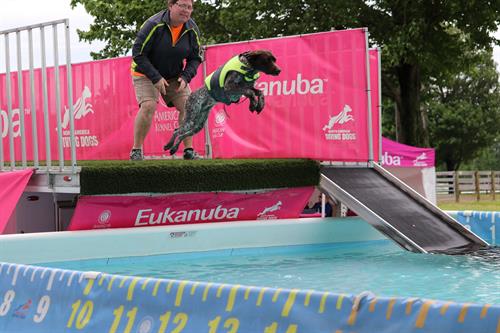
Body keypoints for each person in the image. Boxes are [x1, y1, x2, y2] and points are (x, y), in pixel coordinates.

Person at [130, 0, 203, 160]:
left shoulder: (192, 29)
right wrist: (156, 77)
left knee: (189, 106)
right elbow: (138, 53)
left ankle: (188, 151)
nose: (186, 10)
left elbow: (195, 58)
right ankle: (136, 150)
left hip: (174, 75)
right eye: (182, 6)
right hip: (145, 73)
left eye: (189, 7)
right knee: (148, 105)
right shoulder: (153, 24)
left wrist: (185, 76)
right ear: (170, 6)